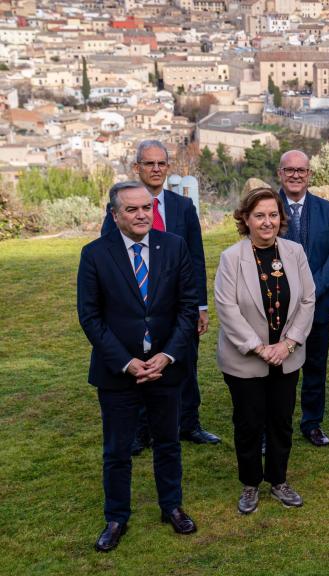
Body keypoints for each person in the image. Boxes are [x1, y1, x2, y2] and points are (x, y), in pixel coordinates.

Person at [78, 181, 199, 552]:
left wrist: (167, 355)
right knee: (116, 450)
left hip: (166, 368)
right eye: (132, 209)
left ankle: (171, 506)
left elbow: (187, 308)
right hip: (118, 372)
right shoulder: (95, 254)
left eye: (146, 207)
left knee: (167, 443)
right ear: (115, 216)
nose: (142, 214)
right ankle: (116, 517)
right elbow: (91, 316)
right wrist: (128, 362)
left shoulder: (174, 246)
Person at [102, 140, 219, 454]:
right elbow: (108, 257)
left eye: (161, 164)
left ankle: (189, 424)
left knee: (185, 363)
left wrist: (200, 307)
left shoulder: (182, 207)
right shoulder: (118, 209)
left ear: (168, 168)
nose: (156, 169)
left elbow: (196, 257)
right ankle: (143, 432)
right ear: (137, 167)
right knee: (141, 367)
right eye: (149, 164)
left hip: (178, 306)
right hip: (138, 307)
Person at [214, 184, 316, 514]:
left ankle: (278, 480)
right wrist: (260, 348)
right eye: (259, 216)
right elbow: (226, 307)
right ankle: (250, 484)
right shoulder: (231, 258)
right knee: (248, 423)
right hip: (246, 360)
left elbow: (307, 299)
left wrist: (287, 344)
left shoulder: (294, 252)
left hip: (286, 357)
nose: (267, 222)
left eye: (273, 214)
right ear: (246, 219)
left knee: (281, 421)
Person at [276, 150, 329, 447]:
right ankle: (276, 426)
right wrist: (291, 293)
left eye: (301, 170)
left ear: (309, 174)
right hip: (277, 305)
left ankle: (312, 423)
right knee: (278, 371)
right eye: (289, 170)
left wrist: (309, 290)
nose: (295, 175)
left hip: (318, 304)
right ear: (280, 173)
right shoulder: (266, 207)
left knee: (315, 366)